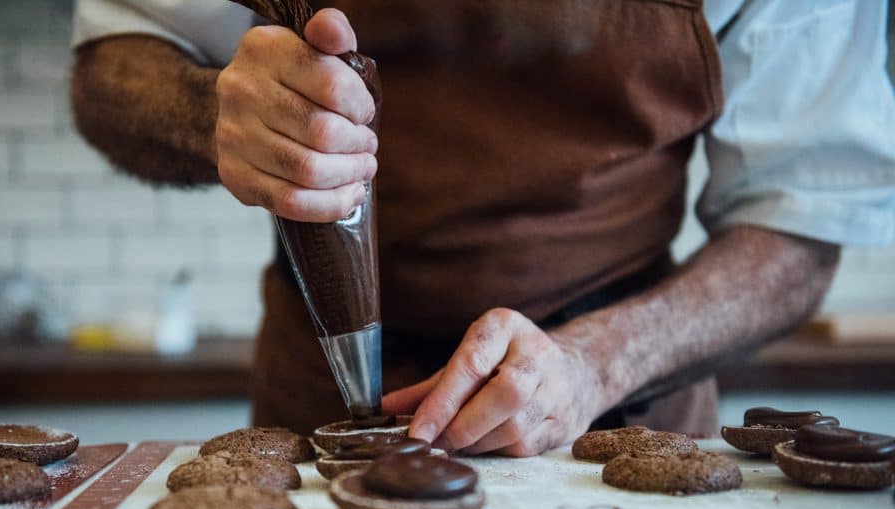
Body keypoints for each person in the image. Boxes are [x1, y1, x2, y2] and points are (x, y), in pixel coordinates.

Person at [71, 0, 895, 455]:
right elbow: (117, 59)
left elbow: (795, 224)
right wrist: (208, 114)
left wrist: (595, 364)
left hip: (616, 416)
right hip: (321, 401)